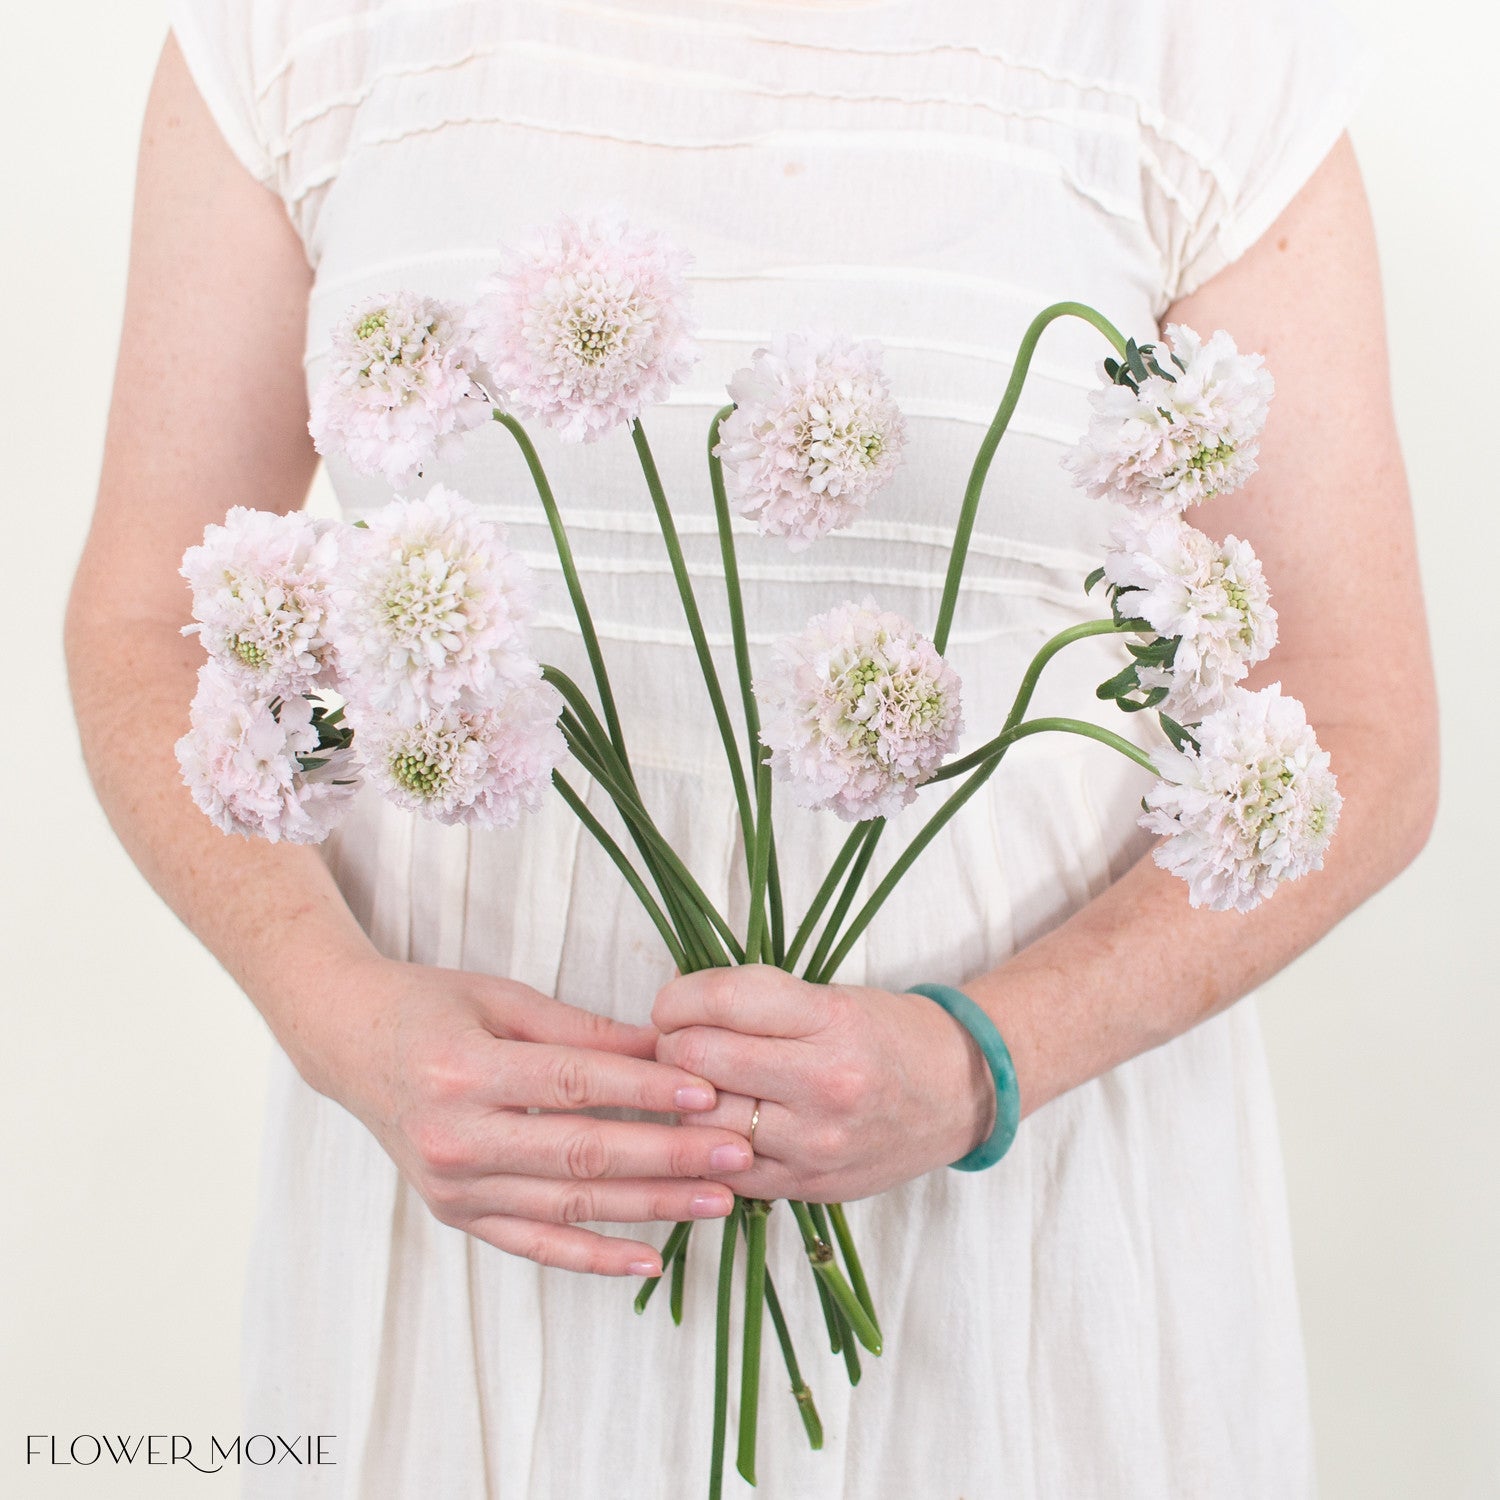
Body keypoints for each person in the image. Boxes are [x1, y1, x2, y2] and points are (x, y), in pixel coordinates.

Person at [66, 0, 1436, 1494]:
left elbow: (1361, 722)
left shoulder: (1201, 54)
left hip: (1009, 1229)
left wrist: (985, 1059)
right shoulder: (288, 35)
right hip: (477, 1216)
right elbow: (154, 618)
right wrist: (338, 1018)